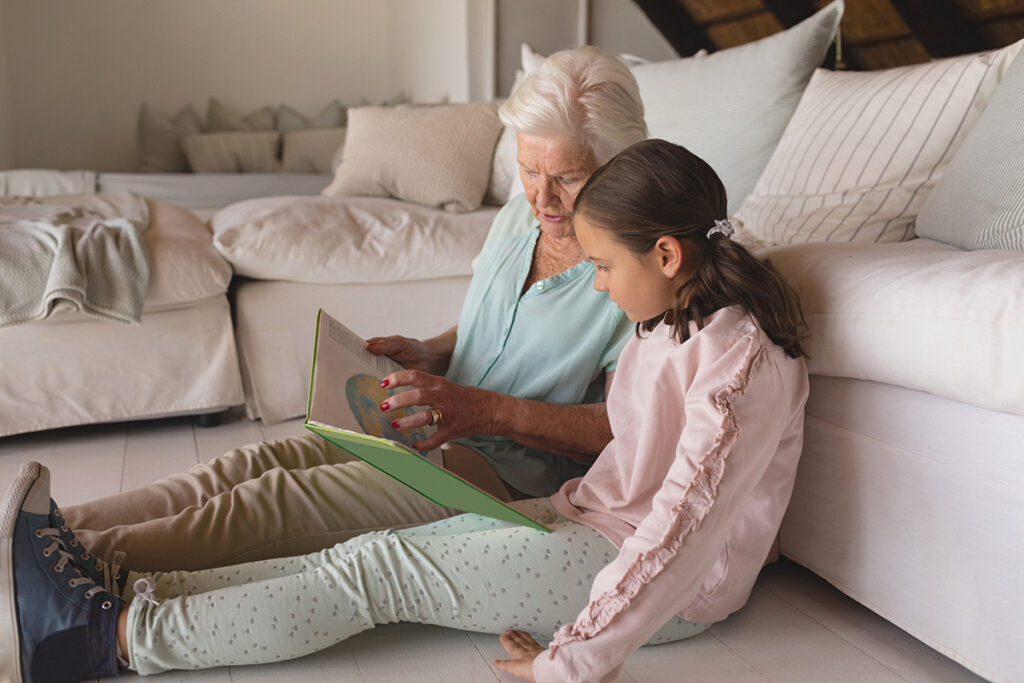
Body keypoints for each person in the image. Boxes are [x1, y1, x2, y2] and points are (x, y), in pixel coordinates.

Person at [3, 139, 810, 682]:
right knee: (368, 548)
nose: (595, 282)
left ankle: (115, 641)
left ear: (665, 254)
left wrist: (573, 661)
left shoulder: (741, 366)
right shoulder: (675, 311)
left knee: (376, 572)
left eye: (602, 265)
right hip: (589, 522)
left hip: (665, 576)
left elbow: (681, 531)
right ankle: (109, 598)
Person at [52, 45, 649, 575]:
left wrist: (486, 411)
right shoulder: (520, 217)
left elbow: (624, 431)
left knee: (271, 504)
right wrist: (434, 351)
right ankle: (40, 530)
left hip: (503, 477)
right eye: (528, 170)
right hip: (430, 426)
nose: (542, 197)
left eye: (567, 178)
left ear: (619, 163)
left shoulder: (641, 275)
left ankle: (57, 567)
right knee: (258, 462)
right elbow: (500, 323)